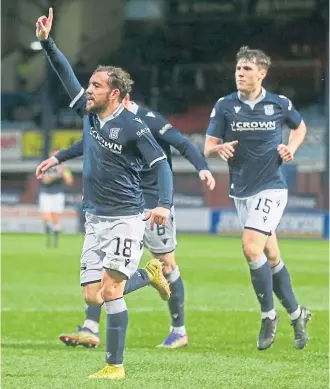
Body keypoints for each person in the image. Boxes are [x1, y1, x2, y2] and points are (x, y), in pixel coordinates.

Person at [36, 8, 215, 350]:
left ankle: (177, 328)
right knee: (96, 291)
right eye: (89, 85)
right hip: (98, 214)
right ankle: (99, 319)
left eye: (96, 86)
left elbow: (169, 154)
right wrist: (47, 44)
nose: (88, 90)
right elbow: (68, 82)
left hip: (138, 208)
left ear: (118, 95)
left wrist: (176, 190)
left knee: (163, 265)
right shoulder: (90, 115)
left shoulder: (140, 123)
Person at [204, 46, 311, 351]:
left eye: (248, 69)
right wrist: (217, 149)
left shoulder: (279, 104)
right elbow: (208, 147)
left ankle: (268, 316)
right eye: (239, 69)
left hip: (271, 187)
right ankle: (298, 314)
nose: (241, 73)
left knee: (251, 248)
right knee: (272, 257)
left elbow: (300, 127)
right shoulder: (225, 106)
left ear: (262, 73)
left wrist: (292, 148)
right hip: (241, 190)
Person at [38, 149, 73, 247]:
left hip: (58, 193)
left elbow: (69, 181)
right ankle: (48, 227)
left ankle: (55, 234)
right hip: (46, 193)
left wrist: (64, 173)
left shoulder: (64, 167)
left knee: (56, 215)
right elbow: (45, 180)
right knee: (46, 215)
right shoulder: (45, 165)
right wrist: (58, 174)